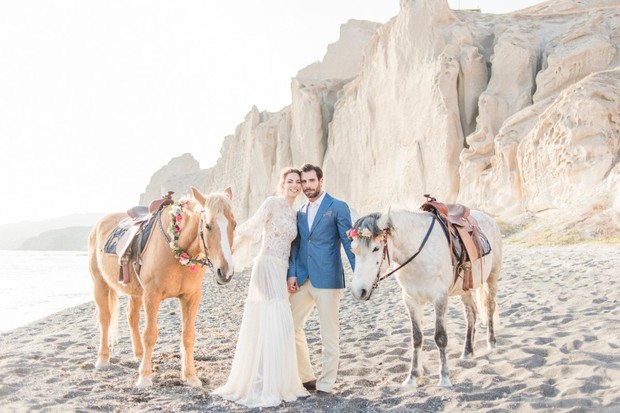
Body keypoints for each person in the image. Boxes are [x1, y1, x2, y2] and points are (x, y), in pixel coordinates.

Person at [214, 167, 309, 408]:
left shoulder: (295, 213)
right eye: (290, 181)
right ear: (282, 183)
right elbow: (251, 228)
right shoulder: (272, 203)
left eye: (298, 182)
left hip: (281, 270)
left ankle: (275, 379)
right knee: (273, 319)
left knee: (278, 323)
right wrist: (229, 251)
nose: (295, 186)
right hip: (266, 266)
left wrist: (292, 274)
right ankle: (263, 382)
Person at [287, 163, 355, 395]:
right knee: (290, 326)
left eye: (311, 181)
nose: (307, 186)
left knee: (329, 334)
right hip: (304, 279)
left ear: (321, 181)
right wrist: (293, 273)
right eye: (303, 182)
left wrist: (360, 275)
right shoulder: (301, 211)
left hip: (328, 279)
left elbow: (348, 243)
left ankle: (326, 384)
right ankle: (307, 377)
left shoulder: (337, 207)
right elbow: (297, 245)